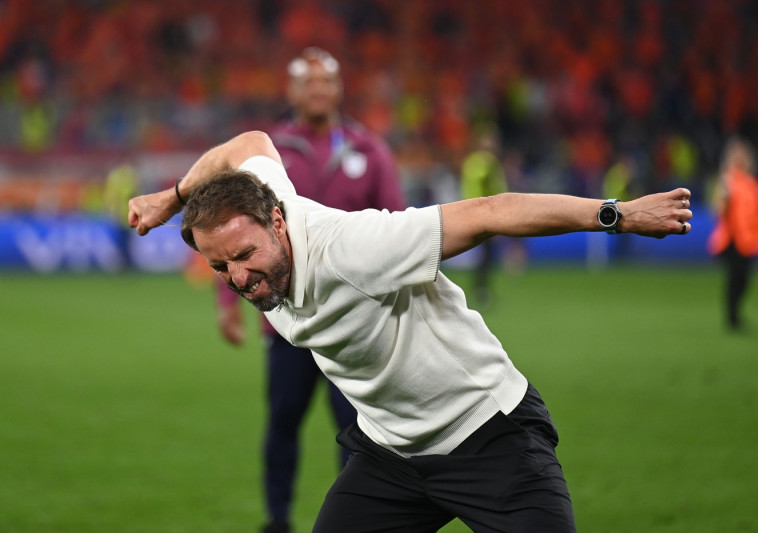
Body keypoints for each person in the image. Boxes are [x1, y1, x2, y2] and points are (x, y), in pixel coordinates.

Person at [129, 131, 693, 533]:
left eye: (245, 256)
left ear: (278, 222)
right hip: (391, 455)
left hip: (485, 435)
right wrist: (171, 196)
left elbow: (491, 210)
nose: (239, 278)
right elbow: (248, 142)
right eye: (221, 268)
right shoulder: (255, 207)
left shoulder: (355, 248)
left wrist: (617, 215)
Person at [215, 48, 405, 533]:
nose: (318, 90)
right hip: (287, 320)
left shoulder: (369, 149)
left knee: (359, 432)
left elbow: (398, 228)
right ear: (292, 90)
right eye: (309, 83)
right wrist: (227, 303)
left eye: (327, 82)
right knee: (283, 423)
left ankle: (354, 522)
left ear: (339, 89)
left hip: (354, 322)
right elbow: (230, 229)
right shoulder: (265, 153)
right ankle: (277, 520)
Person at [708, 137, 758, 330]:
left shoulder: (752, 183)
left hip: (748, 239)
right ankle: (732, 318)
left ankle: (735, 315)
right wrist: (724, 198)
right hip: (732, 239)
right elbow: (717, 210)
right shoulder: (727, 180)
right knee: (735, 277)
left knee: (744, 279)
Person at [460, 125, 509, 305]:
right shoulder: (487, 163)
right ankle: (481, 291)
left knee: (483, 255)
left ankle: (479, 290)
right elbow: (492, 188)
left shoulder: (471, 161)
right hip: (486, 212)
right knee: (486, 256)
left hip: (473, 209)